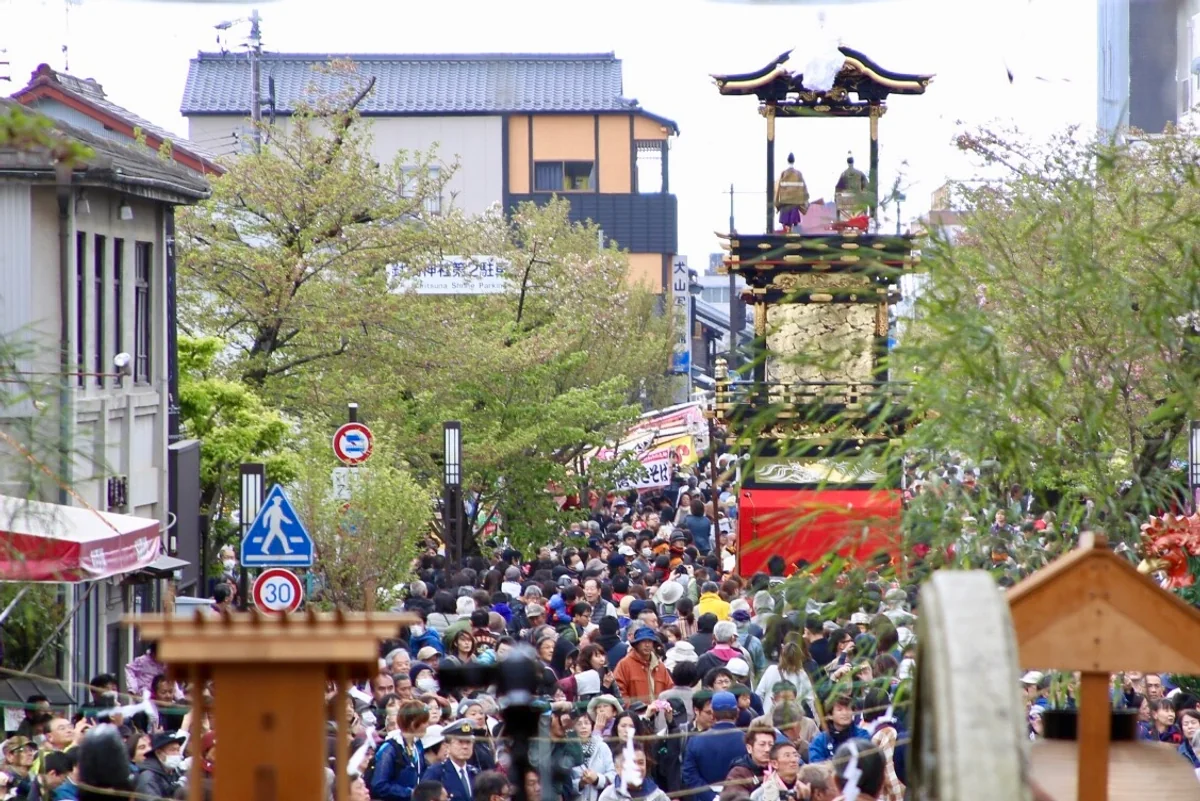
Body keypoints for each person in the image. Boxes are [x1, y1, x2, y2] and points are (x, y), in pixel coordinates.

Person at [774, 153, 809, 232]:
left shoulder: (783, 174)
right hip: (794, 206)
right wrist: (804, 205)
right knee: (792, 227)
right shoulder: (799, 174)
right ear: (794, 161)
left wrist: (777, 204)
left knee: (785, 227)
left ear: (787, 160)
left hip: (784, 206)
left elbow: (777, 189)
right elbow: (804, 190)